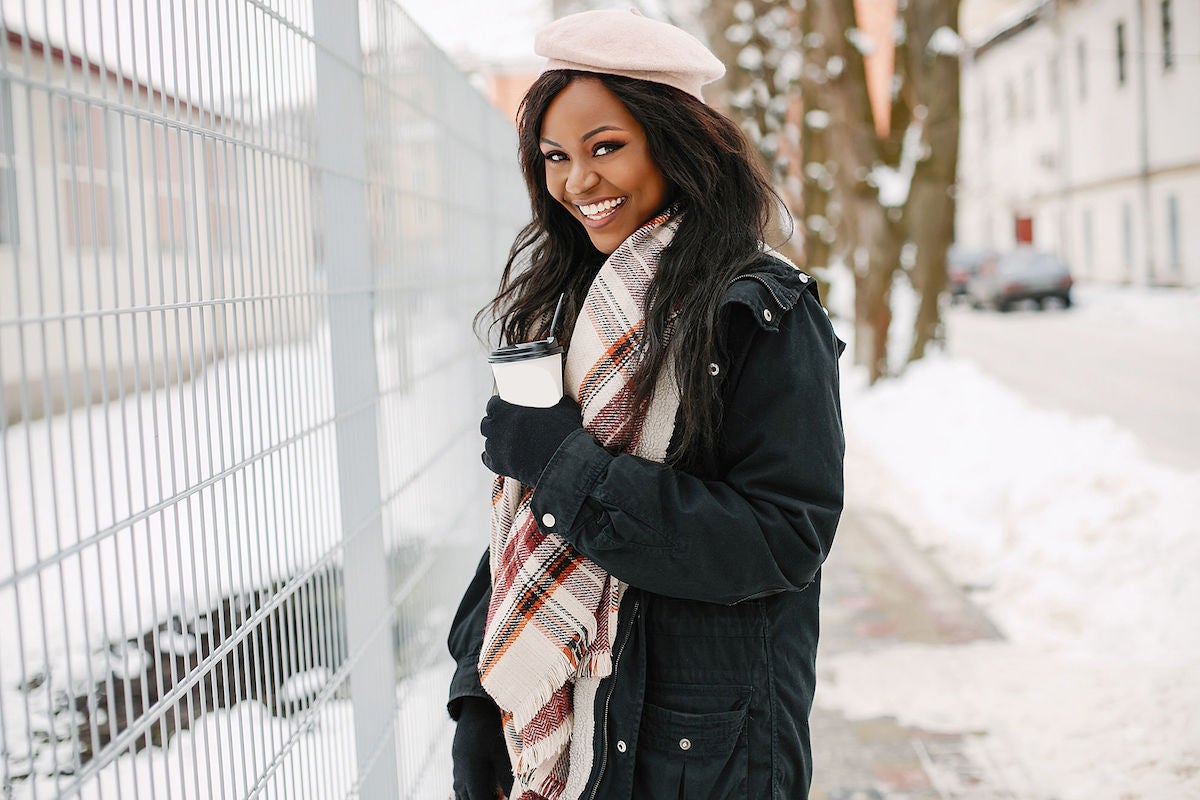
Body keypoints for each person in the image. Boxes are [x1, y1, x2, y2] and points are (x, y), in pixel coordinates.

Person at [447, 9, 844, 800]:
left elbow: (782, 540)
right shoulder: (567, 308)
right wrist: (476, 698)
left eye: (606, 148)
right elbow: (522, 531)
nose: (578, 182)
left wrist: (564, 465)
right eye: (556, 157)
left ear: (676, 141)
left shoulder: (758, 311)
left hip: (707, 753)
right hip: (566, 729)